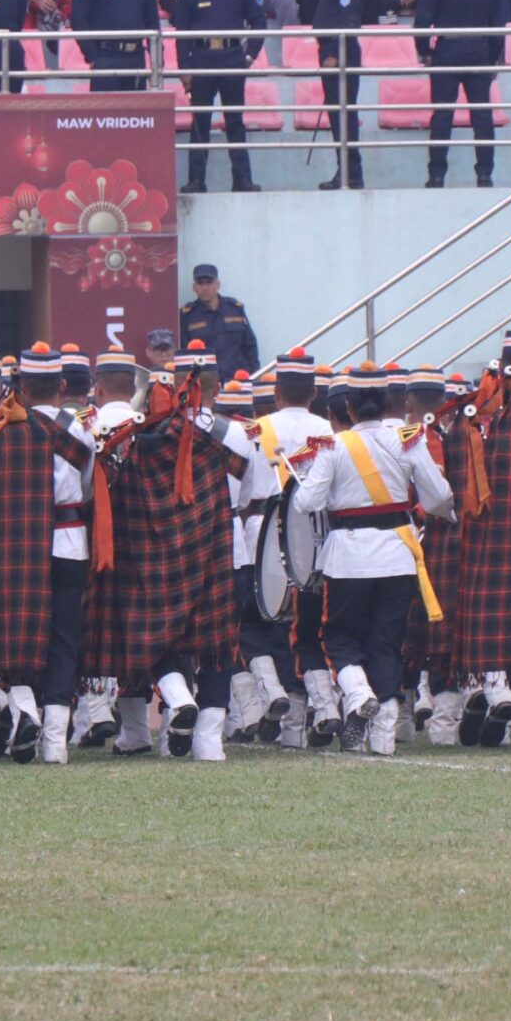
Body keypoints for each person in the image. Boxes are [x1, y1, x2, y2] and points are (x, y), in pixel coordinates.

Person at [287, 363, 455, 756]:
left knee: (338, 637)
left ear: (347, 406)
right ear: (387, 402)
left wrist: (313, 479)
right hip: (398, 556)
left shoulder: (332, 446)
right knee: (386, 643)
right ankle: (383, 738)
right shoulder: (408, 441)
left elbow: (306, 503)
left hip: (348, 558)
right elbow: (438, 497)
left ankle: (359, 693)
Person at [415, 0, 510, 187]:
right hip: (480, 49)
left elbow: (423, 20)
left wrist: (425, 51)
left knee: (442, 115)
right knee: (482, 115)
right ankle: (484, 173)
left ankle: (436, 175)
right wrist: (493, 57)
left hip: (447, 49)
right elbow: (497, 24)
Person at [299, 0, 394, 190]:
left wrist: (334, 54)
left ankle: (351, 174)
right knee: (337, 116)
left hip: (340, 54)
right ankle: (346, 171)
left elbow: (346, 21)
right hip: (332, 52)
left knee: (343, 116)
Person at [173, 0, 266, 191]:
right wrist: (185, 68)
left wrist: (250, 54)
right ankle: (196, 180)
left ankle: (242, 179)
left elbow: (258, 21)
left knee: (235, 121)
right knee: (200, 123)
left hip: (232, 58)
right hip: (201, 60)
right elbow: (182, 32)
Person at [180, 263, 260, 376]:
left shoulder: (235, 309)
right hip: (207, 381)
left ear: (217, 284)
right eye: (200, 283)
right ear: (194, 287)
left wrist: (253, 374)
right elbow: (184, 353)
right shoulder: (188, 315)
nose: (204, 288)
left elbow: (250, 344)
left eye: (209, 282)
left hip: (238, 379)